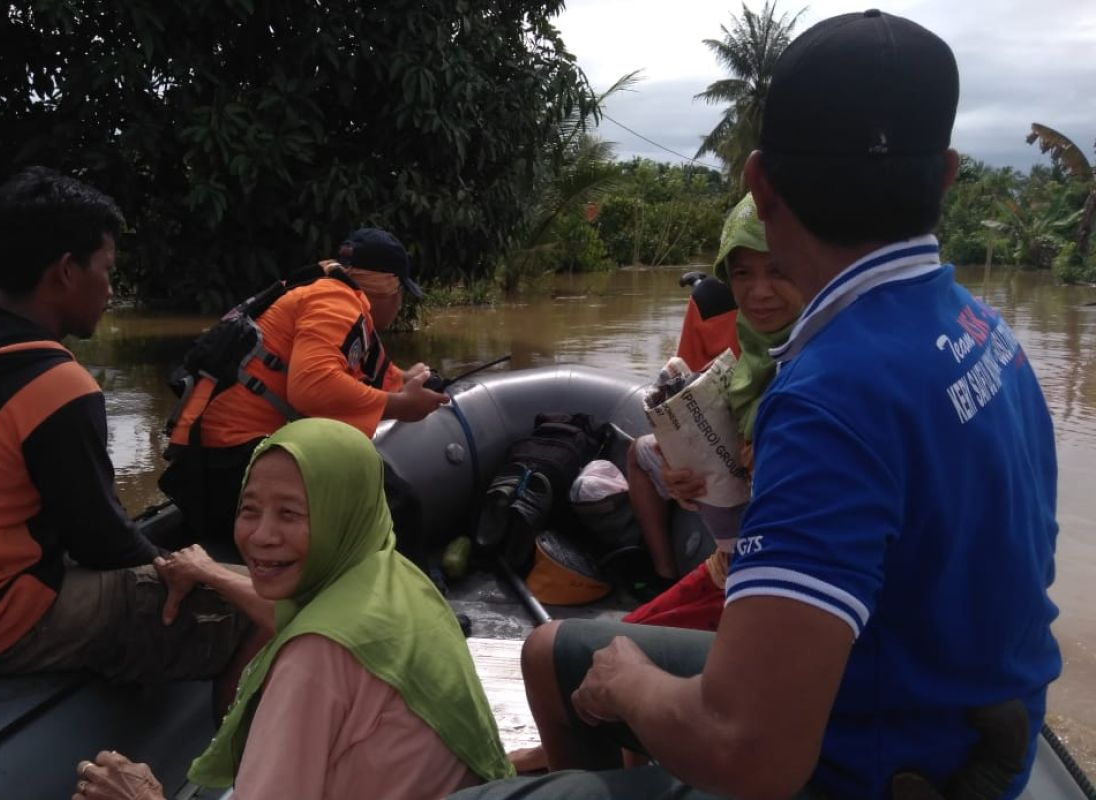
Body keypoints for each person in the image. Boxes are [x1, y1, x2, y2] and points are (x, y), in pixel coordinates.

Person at [449, 11, 1059, 800]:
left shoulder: (832, 392)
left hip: (876, 761)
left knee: (577, 693)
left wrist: (633, 683)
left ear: (760, 184)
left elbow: (749, 754)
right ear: (945, 175)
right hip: (948, 718)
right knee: (564, 655)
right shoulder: (984, 328)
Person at [0, 167, 262, 700]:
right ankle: (229, 759)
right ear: (66, 272)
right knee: (237, 609)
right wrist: (191, 568)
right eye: (107, 270)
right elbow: (103, 542)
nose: (111, 290)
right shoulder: (56, 385)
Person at [73, 418, 514, 800]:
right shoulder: (396, 577)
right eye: (250, 510)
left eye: (290, 514)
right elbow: (296, 615)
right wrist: (211, 573)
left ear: (342, 515)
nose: (261, 535)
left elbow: (310, 635)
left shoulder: (314, 661)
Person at [160, 227, 449, 550]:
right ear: (389, 287)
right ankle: (397, 595)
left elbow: (360, 368)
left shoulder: (325, 294)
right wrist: (399, 406)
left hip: (214, 463)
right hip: (235, 464)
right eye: (401, 293)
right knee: (398, 505)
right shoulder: (339, 302)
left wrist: (405, 380)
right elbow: (312, 386)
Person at [626, 193, 802, 628]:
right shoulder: (758, 358)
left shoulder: (818, 370)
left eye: (778, 269)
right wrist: (684, 478)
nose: (759, 293)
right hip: (734, 561)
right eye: (742, 273)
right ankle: (663, 575)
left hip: (774, 584)